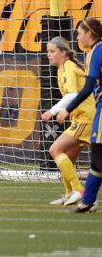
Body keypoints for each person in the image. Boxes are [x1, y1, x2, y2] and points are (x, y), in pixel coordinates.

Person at [41, 37, 95, 206]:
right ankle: (70, 193)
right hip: (82, 117)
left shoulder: (67, 67)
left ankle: (79, 191)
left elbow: (71, 95)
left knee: (55, 149)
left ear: (63, 52)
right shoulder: (64, 67)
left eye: (52, 51)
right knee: (68, 158)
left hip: (86, 117)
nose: (49, 55)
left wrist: (54, 111)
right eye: (48, 51)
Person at [56, 18, 102, 213]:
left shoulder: (95, 52)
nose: (77, 37)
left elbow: (88, 88)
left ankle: (85, 199)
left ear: (89, 34)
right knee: (98, 159)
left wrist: (67, 108)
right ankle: (87, 200)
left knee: (98, 158)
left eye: (79, 33)